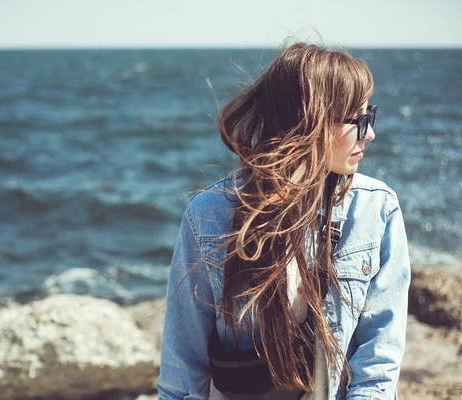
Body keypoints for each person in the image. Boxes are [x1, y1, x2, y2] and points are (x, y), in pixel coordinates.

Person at [156, 41, 411, 400]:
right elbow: (182, 372)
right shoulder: (210, 214)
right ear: (310, 121)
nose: (370, 133)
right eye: (359, 119)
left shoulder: (376, 209)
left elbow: (377, 369)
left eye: (372, 115)